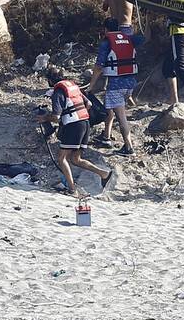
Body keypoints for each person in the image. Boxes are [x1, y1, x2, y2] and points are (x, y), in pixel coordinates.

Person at [35, 67, 114, 196]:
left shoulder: (58, 92)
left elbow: (56, 117)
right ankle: (104, 174)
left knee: (61, 158)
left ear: (49, 80)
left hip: (73, 126)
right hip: (85, 123)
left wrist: (44, 118)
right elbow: (89, 104)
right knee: (76, 159)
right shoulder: (73, 86)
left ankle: (72, 190)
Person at [88, 20, 145, 155]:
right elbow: (145, 38)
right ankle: (106, 137)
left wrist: (91, 86)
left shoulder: (106, 44)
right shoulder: (129, 39)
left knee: (121, 116)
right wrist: (147, 22)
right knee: (109, 109)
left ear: (106, 29)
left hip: (116, 85)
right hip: (130, 83)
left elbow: (98, 68)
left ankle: (129, 147)